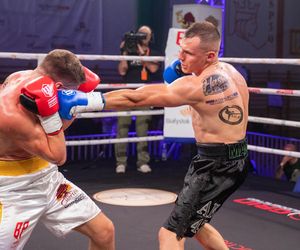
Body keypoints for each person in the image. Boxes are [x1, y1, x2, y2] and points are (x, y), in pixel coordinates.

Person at [57, 21, 249, 250]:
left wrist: (88, 101)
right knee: (197, 224)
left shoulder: (196, 85)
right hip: (237, 158)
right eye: (181, 50)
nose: (181, 58)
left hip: (214, 166)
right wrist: (183, 69)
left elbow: (137, 98)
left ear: (209, 56)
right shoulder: (232, 72)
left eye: (188, 53)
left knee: (169, 234)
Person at [0, 49, 114, 250]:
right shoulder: (10, 114)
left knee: (104, 232)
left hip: (48, 178)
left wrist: (66, 108)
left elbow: (55, 132)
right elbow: (58, 155)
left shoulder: (22, 77)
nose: (73, 95)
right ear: (58, 86)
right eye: (70, 91)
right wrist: (57, 111)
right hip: (12, 189)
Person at [115, 25, 160, 174]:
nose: (142, 36)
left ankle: (143, 162)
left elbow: (153, 69)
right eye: (141, 33)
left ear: (151, 36)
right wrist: (124, 53)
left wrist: (141, 53)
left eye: (146, 33)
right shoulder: (128, 49)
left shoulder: (153, 52)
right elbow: (122, 71)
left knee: (142, 130)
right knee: (122, 129)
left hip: (143, 95)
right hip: (126, 93)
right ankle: (121, 162)